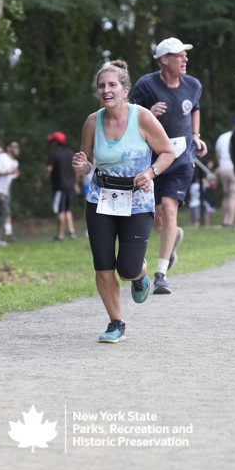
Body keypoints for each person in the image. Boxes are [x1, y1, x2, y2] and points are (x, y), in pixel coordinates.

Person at [71, 60, 175, 343]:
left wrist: (151, 173)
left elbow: (167, 152)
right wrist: (82, 165)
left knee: (127, 268)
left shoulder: (142, 118)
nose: (106, 90)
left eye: (112, 85)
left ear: (125, 90)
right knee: (103, 265)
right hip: (101, 198)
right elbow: (87, 161)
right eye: (101, 86)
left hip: (137, 200)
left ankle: (139, 273)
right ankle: (116, 322)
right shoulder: (92, 121)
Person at [129, 37, 209, 294]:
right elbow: (129, 115)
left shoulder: (193, 85)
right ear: (164, 60)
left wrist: (196, 135)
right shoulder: (146, 84)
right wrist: (148, 112)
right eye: (179, 55)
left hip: (182, 157)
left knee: (169, 207)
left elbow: (195, 108)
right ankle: (171, 236)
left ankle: (161, 274)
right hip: (152, 159)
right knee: (154, 216)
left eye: (185, 54)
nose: (185, 59)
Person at [38, 131, 78, 240]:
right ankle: (72, 232)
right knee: (67, 209)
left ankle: (60, 235)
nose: (51, 144)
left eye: (52, 141)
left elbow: (48, 169)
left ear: (56, 142)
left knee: (59, 210)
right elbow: (76, 169)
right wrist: (75, 183)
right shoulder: (70, 153)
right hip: (70, 186)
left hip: (60, 187)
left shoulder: (54, 154)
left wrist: (41, 180)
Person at [0, 141, 20, 245]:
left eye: (17, 147)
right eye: (14, 146)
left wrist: (16, 174)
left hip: (5, 192)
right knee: (4, 212)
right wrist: (9, 172)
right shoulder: (1, 157)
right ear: (8, 148)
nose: (16, 148)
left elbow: (13, 176)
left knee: (4, 213)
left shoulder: (15, 162)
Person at [214, 119, 235, 228]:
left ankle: (225, 219)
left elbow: (218, 154)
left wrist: (220, 165)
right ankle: (230, 221)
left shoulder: (222, 137)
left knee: (226, 195)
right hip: (234, 166)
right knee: (233, 195)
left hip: (223, 166)